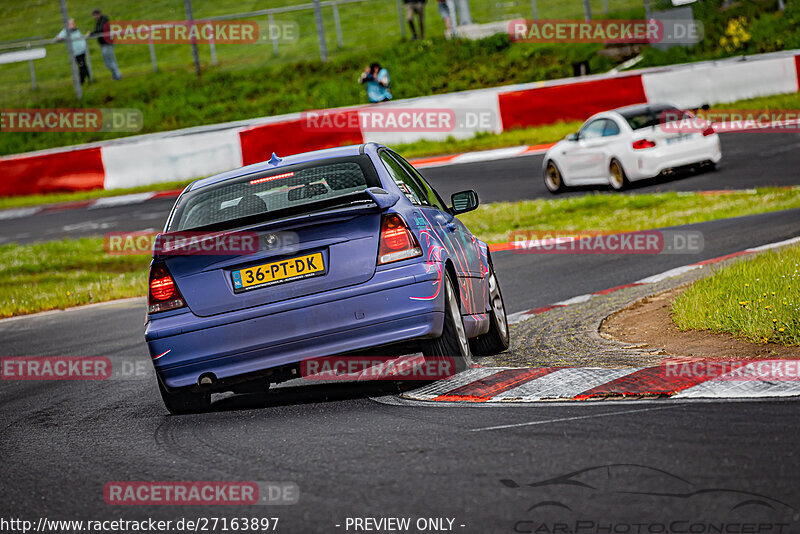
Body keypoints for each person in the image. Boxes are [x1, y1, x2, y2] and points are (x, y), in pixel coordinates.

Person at [87, 8, 121, 80]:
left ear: (97, 14)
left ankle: (118, 75)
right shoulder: (98, 21)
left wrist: (91, 34)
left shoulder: (104, 19)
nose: (94, 17)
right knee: (107, 62)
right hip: (103, 44)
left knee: (111, 60)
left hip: (107, 43)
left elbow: (100, 30)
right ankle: (115, 75)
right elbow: (98, 30)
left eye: (94, 15)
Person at [55, 19, 90, 84]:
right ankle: (88, 79)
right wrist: (60, 38)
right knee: (82, 65)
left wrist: (86, 36)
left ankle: (83, 81)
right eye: (71, 24)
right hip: (76, 52)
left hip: (82, 50)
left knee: (83, 65)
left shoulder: (76, 30)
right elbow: (57, 38)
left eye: (73, 23)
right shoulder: (65, 31)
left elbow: (80, 37)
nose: (73, 25)